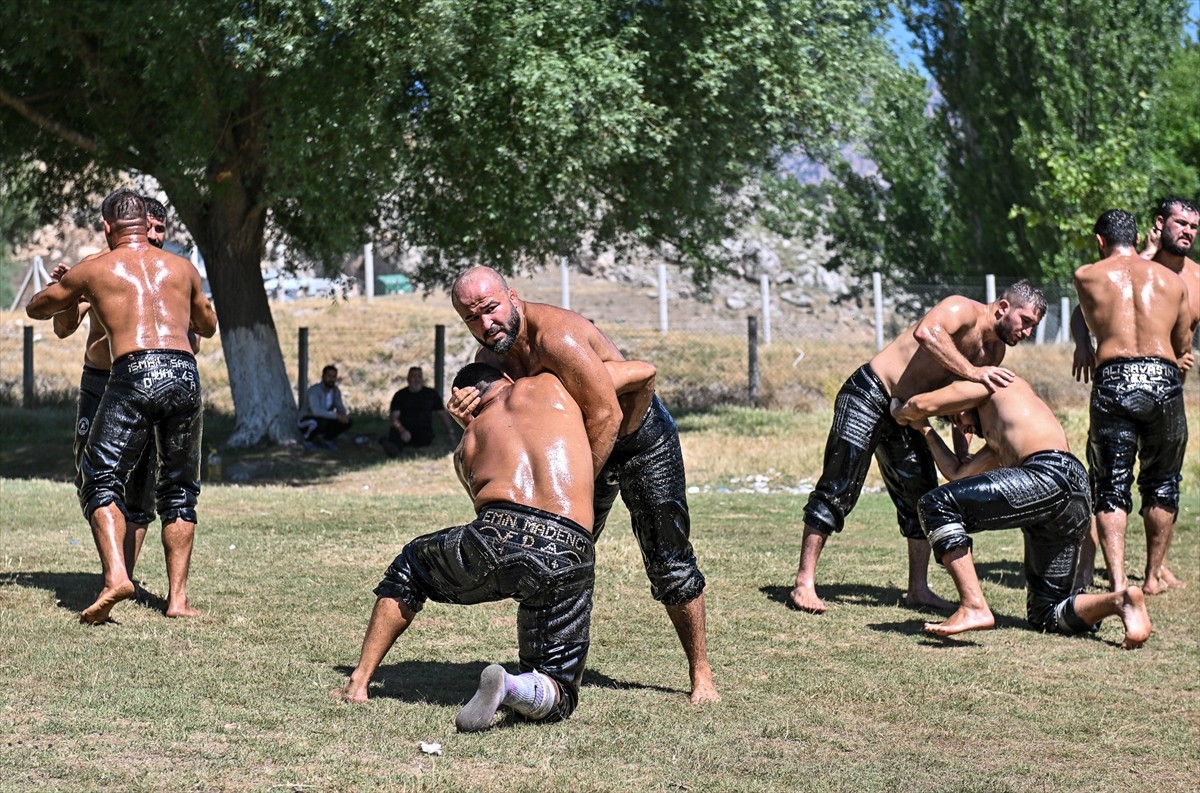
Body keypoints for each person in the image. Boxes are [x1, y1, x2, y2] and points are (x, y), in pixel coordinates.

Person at [331, 359, 657, 731]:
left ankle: (358, 684)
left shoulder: (466, 443)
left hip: (497, 533)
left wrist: (468, 427)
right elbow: (644, 371)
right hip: (570, 548)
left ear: (464, 401)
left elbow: (480, 494)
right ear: (506, 377)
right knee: (559, 687)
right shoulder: (555, 385)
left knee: (410, 567)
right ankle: (515, 686)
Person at [448, 265, 719, 704]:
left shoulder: (558, 337)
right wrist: (468, 420)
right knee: (550, 555)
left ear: (512, 296)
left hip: (638, 439)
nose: (485, 325)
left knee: (668, 559)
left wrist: (574, 485)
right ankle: (542, 673)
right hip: (578, 450)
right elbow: (513, 427)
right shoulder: (489, 364)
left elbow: (607, 414)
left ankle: (701, 674)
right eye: (472, 318)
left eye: (491, 309)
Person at [789, 280, 1046, 614]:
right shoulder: (961, 308)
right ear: (1002, 308)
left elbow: (962, 406)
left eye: (1033, 327)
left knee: (922, 494)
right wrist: (973, 371)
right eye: (1025, 321)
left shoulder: (995, 352)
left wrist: (963, 452)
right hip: (870, 392)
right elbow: (926, 333)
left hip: (908, 414)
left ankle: (918, 589)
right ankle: (803, 583)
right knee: (840, 485)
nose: (1027, 331)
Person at [26, 188, 217, 624]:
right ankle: (177, 601)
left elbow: (39, 308)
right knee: (180, 489)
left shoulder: (98, 268)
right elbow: (207, 324)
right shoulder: (183, 268)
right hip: (181, 374)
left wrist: (61, 287)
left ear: (109, 227)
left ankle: (117, 577)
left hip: (130, 373)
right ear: (144, 225)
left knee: (100, 477)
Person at [889, 376, 1152, 649]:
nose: (961, 425)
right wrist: (925, 430)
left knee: (935, 504)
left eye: (956, 415)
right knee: (1046, 613)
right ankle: (1121, 601)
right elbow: (957, 474)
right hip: (1073, 490)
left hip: (1048, 474)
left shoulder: (991, 382)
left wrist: (899, 410)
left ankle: (974, 605)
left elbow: (921, 402)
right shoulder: (1001, 436)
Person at [1070, 209, 1191, 596]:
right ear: (1139, 240)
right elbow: (1184, 344)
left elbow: (1085, 313)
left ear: (1100, 241)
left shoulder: (1086, 276)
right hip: (1162, 378)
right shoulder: (1172, 282)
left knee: (1110, 486)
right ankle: (1153, 577)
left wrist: (1083, 343)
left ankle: (1119, 582)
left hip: (1114, 379)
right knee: (1163, 483)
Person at [381, 366, 456, 457]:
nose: (416, 380)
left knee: (425, 438)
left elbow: (443, 414)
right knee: (396, 437)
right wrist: (402, 431)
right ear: (408, 379)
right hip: (404, 430)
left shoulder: (431, 394)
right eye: (413, 376)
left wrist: (450, 432)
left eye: (419, 376)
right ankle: (392, 448)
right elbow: (394, 419)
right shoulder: (400, 395)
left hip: (423, 431)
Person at [299, 364, 352, 449]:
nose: (331, 379)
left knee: (348, 421)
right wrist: (336, 416)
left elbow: (340, 406)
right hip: (308, 419)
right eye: (329, 376)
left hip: (326, 418)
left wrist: (343, 416)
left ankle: (327, 439)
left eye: (334, 377)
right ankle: (307, 440)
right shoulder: (314, 391)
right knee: (319, 422)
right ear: (323, 376)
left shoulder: (335, 391)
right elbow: (316, 411)